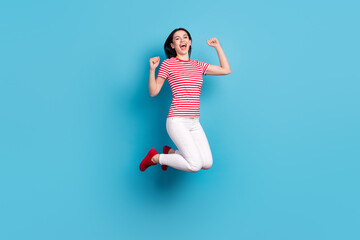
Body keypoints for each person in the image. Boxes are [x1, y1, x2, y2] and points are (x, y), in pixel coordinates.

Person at [139, 27, 231, 172]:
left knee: (206, 163)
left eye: (185, 37)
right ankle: (155, 158)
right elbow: (153, 91)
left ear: (189, 42)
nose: (182, 40)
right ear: (172, 45)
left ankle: (170, 153)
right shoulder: (168, 64)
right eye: (177, 38)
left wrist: (217, 47)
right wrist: (152, 70)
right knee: (195, 165)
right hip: (177, 121)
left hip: (194, 121)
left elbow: (226, 70)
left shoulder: (198, 65)